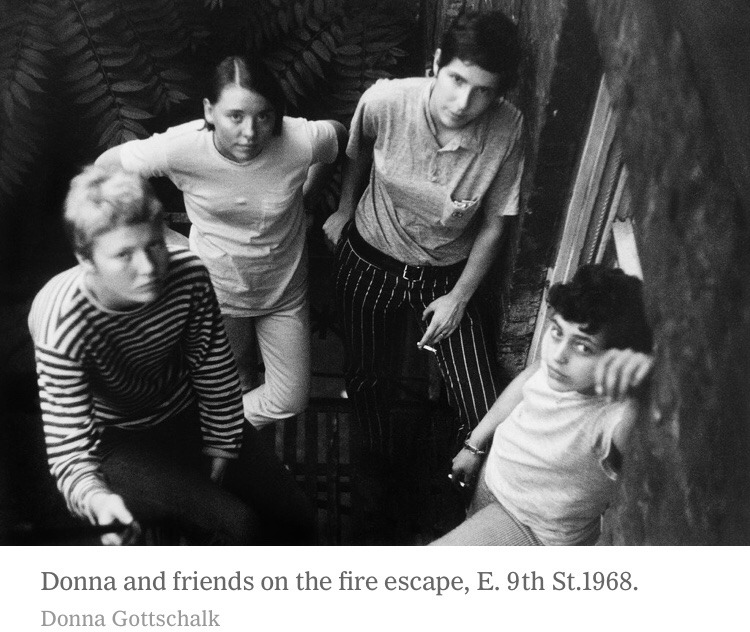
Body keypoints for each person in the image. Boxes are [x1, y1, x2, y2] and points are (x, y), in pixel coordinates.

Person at [28, 165, 315, 545]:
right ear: (87, 260)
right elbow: (69, 444)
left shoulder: (189, 274)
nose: (148, 268)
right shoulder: (62, 320)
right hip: (116, 439)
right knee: (238, 527)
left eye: (154, 246)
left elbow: (213, 367)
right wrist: (95, 498)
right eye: (124, 255)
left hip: (185, 412)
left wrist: (222, 440)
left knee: (298, 518)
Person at [322, 10, 524, 477]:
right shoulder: (386, 101)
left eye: (483, 91)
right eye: (456, 79)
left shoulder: (507, 129)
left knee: (481, 405)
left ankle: (457, 481)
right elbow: (358, 148)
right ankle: (376, 465)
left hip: (447, 278)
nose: (463, 101)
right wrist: (345, 207)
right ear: (436, 63)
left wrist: (459, 299)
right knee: (369, 378)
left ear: (498, 94)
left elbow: (495, 224)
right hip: (371, 258)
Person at [97, 55, 347, 431]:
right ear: (209, 111)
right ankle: (231, 445)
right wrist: (157, 237)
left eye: (263, 116)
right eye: (235, 116)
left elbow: (340, 138)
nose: (250, 132)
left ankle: (210, 431)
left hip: (284, 293)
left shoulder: (299, 139)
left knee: (291, 398)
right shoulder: (182, 147)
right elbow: (105, 167)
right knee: (234, 381)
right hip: (220, 290)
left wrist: (312, 195)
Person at [431, 264, 654, 546]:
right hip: (493, 481)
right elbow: (527, 381)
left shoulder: (613, 417)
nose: (558, 355)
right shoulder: (560, 371)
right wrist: (474, 444)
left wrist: (642, 388)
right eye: (557, 332)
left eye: (583, 347)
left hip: (532, 529)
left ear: (616, 359)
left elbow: (634, 433)